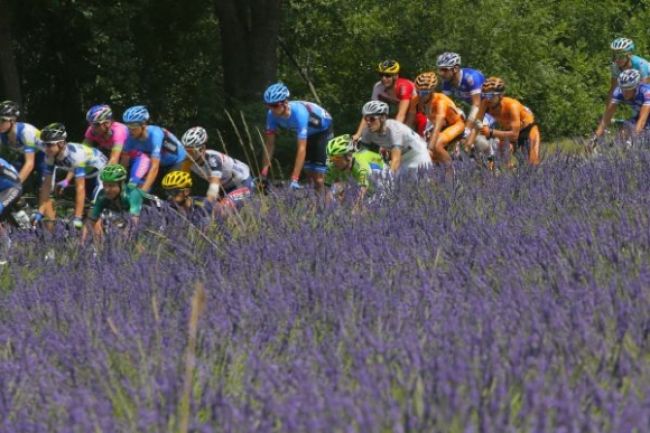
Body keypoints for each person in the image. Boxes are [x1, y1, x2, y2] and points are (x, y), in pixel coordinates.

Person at [261, 83, 333, 190]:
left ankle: (330, 204)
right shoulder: (271, 115)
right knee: (309, 176)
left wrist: (294, 178)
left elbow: (301, 148)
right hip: (308, 133)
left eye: (275, 105)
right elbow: (270, 144)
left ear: (285, 103)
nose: (271, 109)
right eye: (268, 105)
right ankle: (318, 205)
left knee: (318, 178)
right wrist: (263, 173)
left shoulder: (299, 113)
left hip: (323, 130)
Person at [34, 123, 107, 229]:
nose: (46, 148)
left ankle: (100, 245)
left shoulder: (75, 156)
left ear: (61, 143)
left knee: (93, 213)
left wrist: (77, 217)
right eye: (44, 144)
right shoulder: (50, 156)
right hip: (86, 173)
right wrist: (40, 211)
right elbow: (46, 185)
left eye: (49, 144)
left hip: (100, 173)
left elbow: (80, 189)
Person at [466, 77, 541, 166]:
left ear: (500, 95)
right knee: (503, 164)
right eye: (484, 95)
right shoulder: (485, 103)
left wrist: (491, 132)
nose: (487, 98)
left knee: (533, 164)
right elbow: (478, 125)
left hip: (527, 130)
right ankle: (514, 173)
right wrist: (468, 144)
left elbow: (514, 135)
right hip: (508, 131)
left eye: (490, 95)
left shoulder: (512, 105)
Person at [181, 126, 253, 208]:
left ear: (202, 149)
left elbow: (214, 186)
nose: (187, 155)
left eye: (190, 151)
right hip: (225, 188)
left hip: (243, 183)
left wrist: (207, 203)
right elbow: (182, 185)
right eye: (185, 151)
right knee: (186, 204)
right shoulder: (187, 162)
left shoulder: (213, 159)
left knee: (220, 209)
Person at [407, 72, 465, 173]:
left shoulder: (440, 101)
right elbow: (409, 123)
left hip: (455, 124)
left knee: (436, 145)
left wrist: (430, 148)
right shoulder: (415, 101)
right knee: (427, 153)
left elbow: (438, 125)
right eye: (418, 91)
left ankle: (452, 174)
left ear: (432, 91)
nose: (421, 95)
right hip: (440, 126)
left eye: (424, 93)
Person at [352, 60, 425, 141]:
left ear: (396, 76)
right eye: (381, 75)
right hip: (406, 115)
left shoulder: (404, 86)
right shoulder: (378, 87)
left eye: (388, 75)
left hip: (420, 114)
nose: (384, 78)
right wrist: (358, 134)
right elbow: (369, 112)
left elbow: (401, 114)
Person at [121, 105, 187, 192]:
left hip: (179, 161)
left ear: (143, 125)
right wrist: (120, 184)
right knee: (138, 185)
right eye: (127, 126)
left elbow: (154, 167)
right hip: (161, 163)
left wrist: (142, 192)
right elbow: (124, 163)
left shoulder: (155, 135)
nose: (130, 130)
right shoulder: (130, 137)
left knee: (172, 192)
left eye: (133, 126)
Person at [359, 101, 432, 175]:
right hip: (403, 159)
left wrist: (389, 179)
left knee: (426, 185)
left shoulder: (394, 129)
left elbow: (396, 160)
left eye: (372, 119)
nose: (368, 122)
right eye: (366, 119)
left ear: (383, 118)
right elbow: (361, 156)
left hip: (418, 155)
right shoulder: (367, 132)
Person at [85, 164, 150, 239]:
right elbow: (91, 221)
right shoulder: (102, 194)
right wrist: (81, 245)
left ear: (121, 184)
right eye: (104, 185)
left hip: (154, 213)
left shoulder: (132, 193)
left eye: (111, 186)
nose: (106, 190)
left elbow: (133, 222)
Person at [594, 69, 650, 146]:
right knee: (623, 132)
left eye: (627, 89)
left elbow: (642, 121)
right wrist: (595, 138)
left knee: (642, 138)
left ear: (635, 87)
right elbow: (606, 117)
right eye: (623, 88)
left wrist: (632, 140)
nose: (624, 92)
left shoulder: (646, 92)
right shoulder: (619, 91)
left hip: (646, 113)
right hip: (642, 115)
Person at [325, 134, 384, 200]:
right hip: (358, 180)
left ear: (348, 156)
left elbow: (360, 199)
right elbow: (326, 192)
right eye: (330, 158)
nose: (332, 161)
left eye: (336, 158)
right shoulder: (332, 166)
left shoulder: (361, 167)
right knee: (336, 192)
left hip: (379, 179)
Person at [0, 100, 46, 184]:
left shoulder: (26, 132)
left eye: (2, 120)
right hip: (24, 155)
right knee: (8, 175)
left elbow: (29, 164)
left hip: (43, 155)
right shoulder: (2, 134)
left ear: (13, 120)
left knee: (44, 188)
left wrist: (15, 186)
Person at [607, 38, 650, 110]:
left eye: (621, 56)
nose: (617, 59)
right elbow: (613, 90)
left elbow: (645, 90)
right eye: (614, 56)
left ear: (629, 55)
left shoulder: (641, 64)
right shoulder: (615, 66)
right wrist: (606, 114)